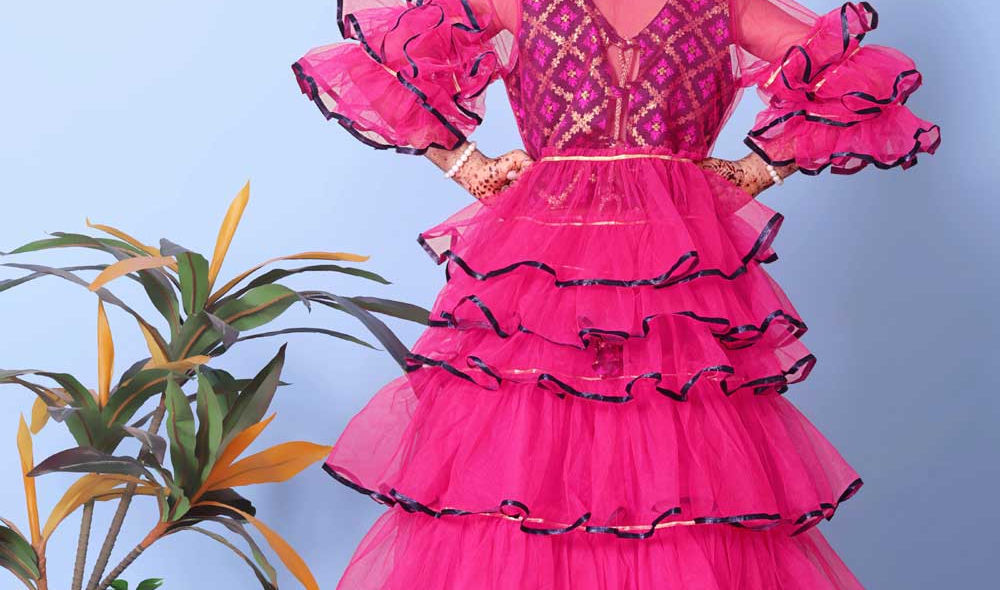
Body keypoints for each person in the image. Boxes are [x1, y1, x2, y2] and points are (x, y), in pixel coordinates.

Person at [292, 1, 939, 587]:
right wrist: (757, 171)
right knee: (639, 451)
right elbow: (854, 78)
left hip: (587, 269)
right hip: (633, 268)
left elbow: (383, 61)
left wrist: (469, 165)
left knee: (568, 450)